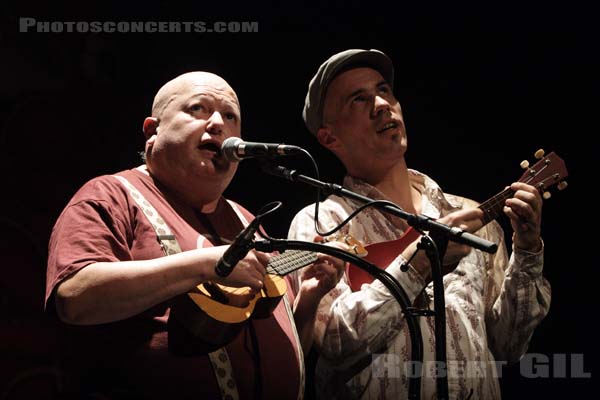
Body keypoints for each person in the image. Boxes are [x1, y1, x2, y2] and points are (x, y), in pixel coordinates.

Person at [45, 71, 343, 400]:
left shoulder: (246, 220)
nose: (218, 124)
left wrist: (309, 299)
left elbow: (284, 350)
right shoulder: (112, 194)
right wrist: (204, 264)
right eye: (197, 109)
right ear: (152, 130)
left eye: (231, 116)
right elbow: (74, 297)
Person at [287, 49, 551, 399]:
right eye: (358, 99)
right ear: (329, 138)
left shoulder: (468, 214)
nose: (381, 104)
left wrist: (528, 249)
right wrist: (420, 264)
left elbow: (508, 346)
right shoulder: (320, 222)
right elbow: (337, 341)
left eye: (384, 90)